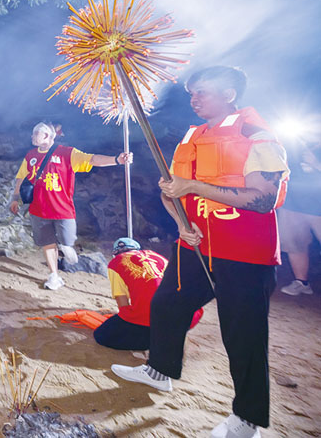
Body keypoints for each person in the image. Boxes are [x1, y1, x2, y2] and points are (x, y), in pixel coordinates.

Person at [111, 66, 288, 438]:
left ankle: (248, 419)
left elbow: (262, 199)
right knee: (167, 304)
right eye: (191, 92)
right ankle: (160, 370)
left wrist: (195, 185)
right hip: (194, 245)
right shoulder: (192, 137)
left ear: (229, 93)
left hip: (243, 252)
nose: (194, 98)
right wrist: (180, 224)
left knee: (243, 334)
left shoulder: (258, 135)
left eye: (202, 91)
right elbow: (170, 188)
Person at [9, 121, 132, 290]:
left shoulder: (67, 153)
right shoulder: (30, 155)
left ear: (46, 135)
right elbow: (21, 177)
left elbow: (92, 159)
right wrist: (15, 198)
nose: (32, 137)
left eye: (35, 133)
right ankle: (54, 276)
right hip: (39, 209)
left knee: (67, 241)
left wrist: (117, 160)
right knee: (47, 242)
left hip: (62, 209)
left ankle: (66, 247)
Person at [94, 238, 203, 351]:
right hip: (190, 315)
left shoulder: (115, 263)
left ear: (115, 254)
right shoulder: (156, 255)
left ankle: (157, 342)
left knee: (101, 335)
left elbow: (122, 301)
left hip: (156, 315)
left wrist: (124, 318)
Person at [278, 142, 321, 295]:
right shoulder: (292, 142)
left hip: (318, 205)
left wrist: (316, 164)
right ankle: (301, 282)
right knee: (294, 243)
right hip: (292, 202)